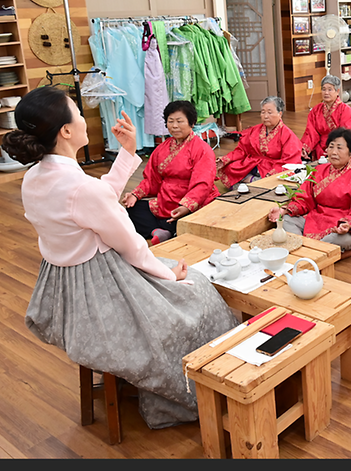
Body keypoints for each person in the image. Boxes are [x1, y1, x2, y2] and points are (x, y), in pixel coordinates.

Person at [4, 87, 237, 429]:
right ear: (66, 130)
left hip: (65, 292)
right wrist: (172, 275)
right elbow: (132, 247)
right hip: (103, 288)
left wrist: (127, 154)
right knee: (198, 292)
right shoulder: (82, 187)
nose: (85, 119)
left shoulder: (34, 178)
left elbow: (96, 203)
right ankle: (210, 387)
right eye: (79, 113)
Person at [123, 100, 218, 244]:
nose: (174, 126)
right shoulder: (161, 149)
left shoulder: (202, 149)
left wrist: (186, 206)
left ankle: (162, 230)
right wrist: (135, 194)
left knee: (192, 218)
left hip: (194, 200)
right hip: (166, 200)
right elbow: (152, 180)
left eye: (180, 121)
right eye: (170, 121)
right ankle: (159, 231)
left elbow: (202, 184)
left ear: (192, 123)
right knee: (133, 209)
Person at [268, 128, 351, 252]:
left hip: (341, 224)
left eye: (339, 148)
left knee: (342, 238)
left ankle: (302, 247)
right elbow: (303, 199)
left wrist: (348, 225)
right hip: (316, 219)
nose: (334, 152)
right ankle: (312, 249)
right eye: (331, 147)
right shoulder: (319, 170)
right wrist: (284, 210)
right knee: (287, 220)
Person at [216, 96, 302, 189]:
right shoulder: (254, 130)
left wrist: (273, 172)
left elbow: (290, 160)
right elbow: (242, 150)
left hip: (271, 167)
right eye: (263, 112)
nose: (265, 116)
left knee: (278, 178)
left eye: (269, 112)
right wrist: (226, 158)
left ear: (279, 114)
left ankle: (250, 182)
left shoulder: (288, 135)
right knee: (230, 167)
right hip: (252, 164)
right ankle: (255, 182)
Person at [300, 75, 351, 160]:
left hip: (337, 147)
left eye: (330, 89)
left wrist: (332, 148)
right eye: (324, 89)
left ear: (337, 91)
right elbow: (311, 132)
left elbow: (345, 133)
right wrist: (305, 148)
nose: (326, 93)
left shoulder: (346, 110)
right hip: (318, 146)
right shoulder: (315, 110)